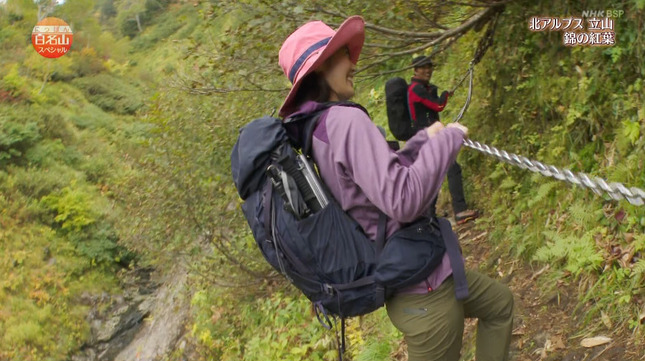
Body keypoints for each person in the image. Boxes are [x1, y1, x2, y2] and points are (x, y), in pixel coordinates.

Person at [278, 16, 513, 361]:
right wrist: (448, 139)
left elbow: (376, 180)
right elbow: (402, 200)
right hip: (424, 293)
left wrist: (422, 141)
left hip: (424, 274)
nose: (353, 62)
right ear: (322, 65)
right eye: (344, 53)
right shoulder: (345, 121)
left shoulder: (319, 131)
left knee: (500, 304)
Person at [396, 55, 480, 225]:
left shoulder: (422, 88)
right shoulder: (416, 89)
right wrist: (444, 95)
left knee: (442, 169)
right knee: (445, 168)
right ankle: (453, 211)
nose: (428, 70)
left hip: (427, 135)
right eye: (424, 67)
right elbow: (438, 106)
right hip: (424, 136)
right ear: (415, 70)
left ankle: (431, 215)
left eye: (430, 67)